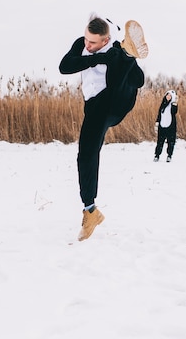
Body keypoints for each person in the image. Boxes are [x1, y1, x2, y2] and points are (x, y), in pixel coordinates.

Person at [59, 14, 148, 241]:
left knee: (118, 59)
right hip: (95, 108)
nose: (87, 45)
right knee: (86, 155)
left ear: (106, 40)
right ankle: (91, 211)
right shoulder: (82, 45)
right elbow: (65, 66)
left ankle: (129, 54)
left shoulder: (113, 48)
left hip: (117, 101)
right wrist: (96, 58)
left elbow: (139, 81)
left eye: (93, 42)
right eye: (87, 40)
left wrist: (116, 57)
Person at [154, 90, 178, 162]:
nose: (168, 97)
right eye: (167, 95)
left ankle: (169, 156)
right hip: (162, 126)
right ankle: (157, 155)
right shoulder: (163, 104)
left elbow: (174, 112)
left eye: (170, 96)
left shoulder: (173, 105)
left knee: (170, 142)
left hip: (170, 127)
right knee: (159, 142)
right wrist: (157, 122)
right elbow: (159, 114)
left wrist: (175, 103)